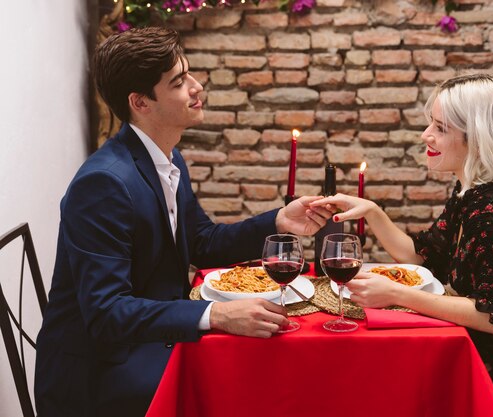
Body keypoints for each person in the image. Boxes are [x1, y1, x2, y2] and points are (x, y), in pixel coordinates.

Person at [34, 27, 331, 417]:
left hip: (145, 343)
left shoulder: (167, 158)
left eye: (189, 74)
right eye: (178, 81)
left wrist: (280, 220)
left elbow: (202, 241)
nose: (196, 86)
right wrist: (216, 315)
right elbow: (107, 313)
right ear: (141, 102)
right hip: (100, 375)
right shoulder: (103, 183)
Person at [311, 74, 493, 417]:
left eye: (440, 128)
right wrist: (374, 212)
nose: (426, 135)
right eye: (431, 123)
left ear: (477, 139)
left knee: (391, 382)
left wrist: (397, 295)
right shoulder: (473, 191)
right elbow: (422, 256)